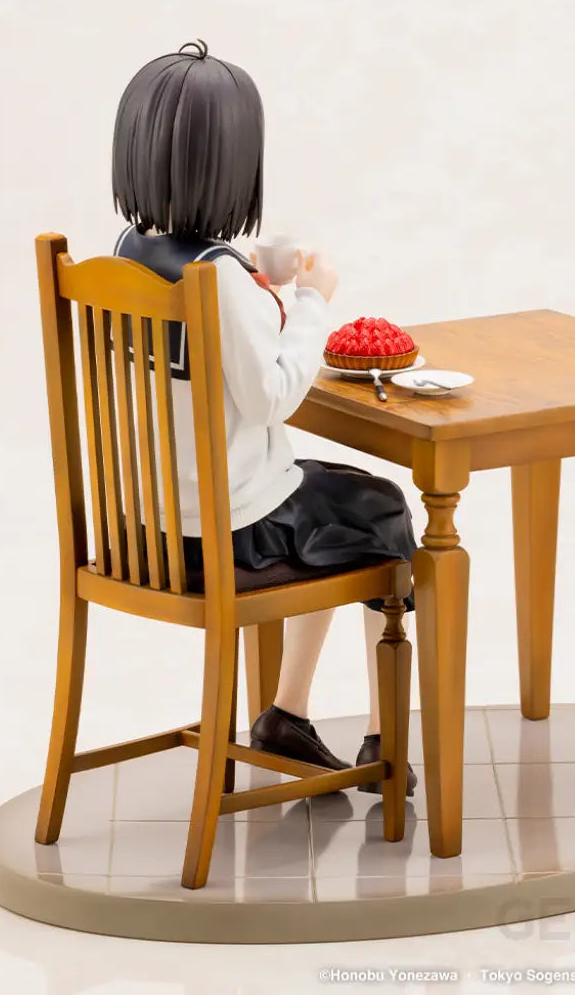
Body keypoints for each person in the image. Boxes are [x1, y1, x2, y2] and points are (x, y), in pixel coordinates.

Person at [110, 40, 417, 794]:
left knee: (333, 502)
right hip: (226, 534)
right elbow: (274, 396)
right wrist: (312, 299)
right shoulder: (218, 280)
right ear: (235, 165)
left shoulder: (125, 255)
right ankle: (384, 745)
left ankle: (288, 715)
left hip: (146, 529)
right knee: (379, 509)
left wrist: (254, 279)